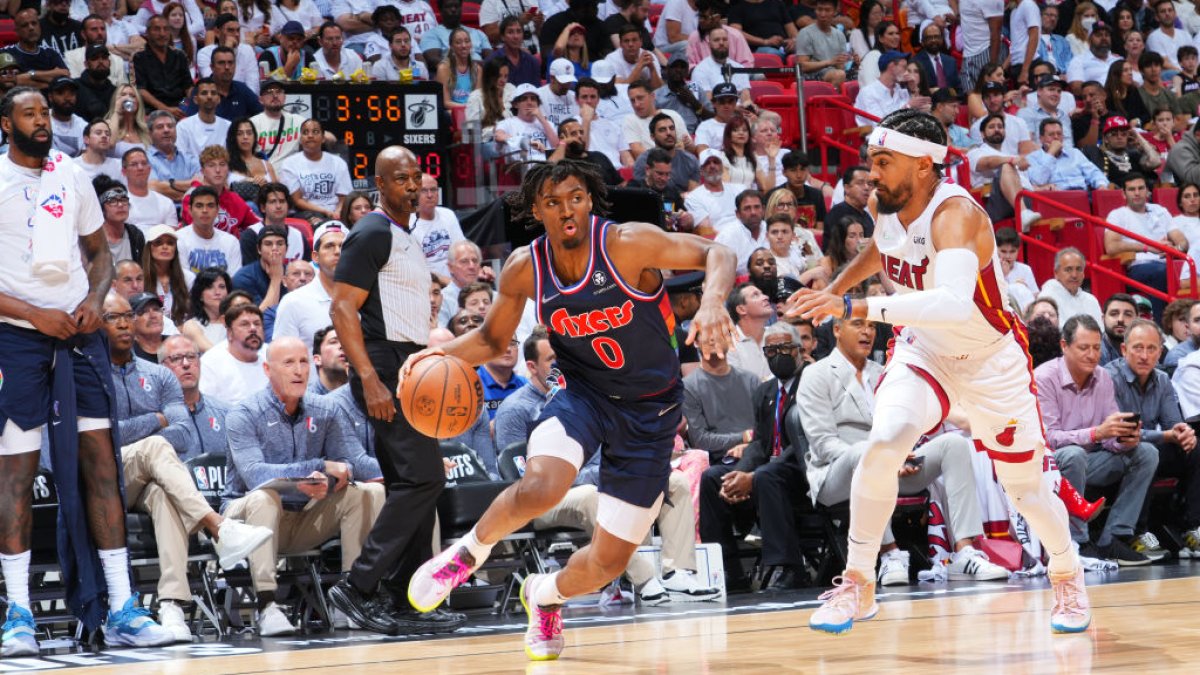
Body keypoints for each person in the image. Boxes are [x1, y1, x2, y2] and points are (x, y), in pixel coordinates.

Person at [403, 157, 737, 661]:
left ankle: (545, 594)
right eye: (553, 203)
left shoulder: (627, 243)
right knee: (541, 485)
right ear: (536, 209)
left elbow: (719, 253)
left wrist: (712, 301)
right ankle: (467, 553)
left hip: (651, 416)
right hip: (583, 395)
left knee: (606, 563)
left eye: (575, 199)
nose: (566, 212)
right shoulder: (525, 266)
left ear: (589, 201)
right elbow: (493, 338)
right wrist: (435, 356)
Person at [786, 109, 1090, 635]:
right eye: (871, 162)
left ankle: (1067, 572)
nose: (871, 174)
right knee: (883, 445)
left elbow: (951, 304)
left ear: (924, 165)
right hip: (925, 350)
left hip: (990, 361)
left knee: (1024, 489)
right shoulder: (887, 202)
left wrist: (854, 308)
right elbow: (882, 251)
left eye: (883, 162)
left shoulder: (958, 216)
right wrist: (834, 287)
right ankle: (858, 581)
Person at [0, 85, 176, 656]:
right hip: (18, 338)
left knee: (103, 466)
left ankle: (122, 605)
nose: (41, 120)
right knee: (17, 473)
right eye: (28, 113)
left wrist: (97, 300)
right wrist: (34, 314)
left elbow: (100, 255)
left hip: (78, 332)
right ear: (7, 125)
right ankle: (18, 613)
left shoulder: (71, 175)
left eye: (45, 112)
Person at [323, 147, 468, 637]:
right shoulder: (371, 232)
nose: (412, 186)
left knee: (415, 481)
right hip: (383, 366)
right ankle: (358, 585)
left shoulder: (406, 235)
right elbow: (342, 310)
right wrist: (368, 378)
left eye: (417, 178)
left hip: (409, 363)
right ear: (379, 185)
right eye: (400, 178)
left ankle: (408, 596)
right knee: (423, 478)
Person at [101, 291, 273, 641]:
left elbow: (182, 434)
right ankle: (218, 527)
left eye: (126, 316)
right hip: (106, 474)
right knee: (155, 444)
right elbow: (106, 436)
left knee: (166, 495)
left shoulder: (159, 377)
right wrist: (157, 418)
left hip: (149, 478)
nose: (122, 323)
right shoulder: (91, 373)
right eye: (111, 317)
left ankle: (172, 605)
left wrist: (141, 427)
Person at [799, 310, 1006, 586]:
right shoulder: (816, 374)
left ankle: (965, 553)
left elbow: (910, 423)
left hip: (897, 464)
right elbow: (824, 445)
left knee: (954, 445)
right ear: (837, 330)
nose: (867, 332)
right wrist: (885, 456)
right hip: (835, 475)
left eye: (872, 326)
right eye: (858, 324)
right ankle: (889, 555)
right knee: (868, 454)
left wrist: (901, 453)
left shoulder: (885, 371)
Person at [221, 336, 383, 636]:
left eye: (304, 361)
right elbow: (255, 475)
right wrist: (316, 469)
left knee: (368, 492)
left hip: (303, 517)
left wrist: (333, 480)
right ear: (268, 369)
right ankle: (267, 605)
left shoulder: (325, 409)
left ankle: (350, 597)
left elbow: (349, 463)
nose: (299, 370)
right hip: (243, 521)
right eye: (289, 363)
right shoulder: (244, 413)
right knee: (264, 498)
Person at [1037, 314, 1157, 565]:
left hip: (1092, 460)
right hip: (1051, 466)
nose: (1092, 355)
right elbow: (1047, 438)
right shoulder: (1044, 378)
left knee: (1146, 452)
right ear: (1064, 346)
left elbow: (1109, 438)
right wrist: (1096, 433)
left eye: (1096, 348)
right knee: (1074, 455)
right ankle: (1077, 540)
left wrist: (1124, 438)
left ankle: (1113, 537)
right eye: (1083, 348)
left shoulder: (1102, 376)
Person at [1105, 319, 1200, 557]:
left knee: (1196, 448)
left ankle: (1192, 527)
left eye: (1151, 349)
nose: (1145, 355)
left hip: (1149, 445)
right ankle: (1138, 532)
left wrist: (1184, 432)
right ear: (1124, 349)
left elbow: (1172, 423)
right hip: (1115, 449)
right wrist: (1168, 435)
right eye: (1138, 348)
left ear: (1160, 352)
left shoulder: (1163, 380)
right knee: (1148, 452)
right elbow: (1123, 432)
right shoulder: (1109, 378)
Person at [1103, 172, 1187, 318]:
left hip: (1166, 262)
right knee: (1161, 271)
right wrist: (1148, 247)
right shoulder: (1117, 215)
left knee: (1183, 269)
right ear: (1123, 194)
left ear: (1147, 191)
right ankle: (1161, 324)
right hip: (1137, 266)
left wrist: (1176, 249)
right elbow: (1111, 246)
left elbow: (1182, 241)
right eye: (1131, 189)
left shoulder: (1160, 211)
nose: (1137, 193)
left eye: (1141, 188)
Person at [280, 119, 352, 222]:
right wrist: (325, 212)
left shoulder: (338, 163)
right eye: (305, 132)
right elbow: (297, 200)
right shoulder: (289, 164)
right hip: (305, 213)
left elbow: (343, 197)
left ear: (323, 138)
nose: (310, 136)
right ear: (300, 139)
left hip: (336, 212)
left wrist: (338, 211)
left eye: (315, 132)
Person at [198, 303, 266, 404]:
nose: (253, 329)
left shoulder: (272, 354)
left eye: (257, 323)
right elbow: (206, 407)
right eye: (245, 324)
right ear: (230, 333)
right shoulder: (211, 362)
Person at [133, 15, 192, 119]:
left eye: (166, 29)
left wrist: (183, 106)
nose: (162, 33)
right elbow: (140, 90)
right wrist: (165, 109)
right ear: (147, 32)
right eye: (157, 29)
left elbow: (188, 87)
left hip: (180, 108)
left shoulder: (179, 55)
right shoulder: (139, 57)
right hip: (152, 111)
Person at [176, 186, 243, 273]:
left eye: (210, 206)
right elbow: (183, 279)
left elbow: (234, 279)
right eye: (199, 206)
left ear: (217, 210)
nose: (205, 210)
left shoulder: (231, 242)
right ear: (190, 210)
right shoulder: (178, 239)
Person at [2, 9, 70, 91]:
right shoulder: (5, 53)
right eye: (25, 25)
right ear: (17, 31)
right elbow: (9, 82)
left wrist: (31, 74)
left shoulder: (50, 52)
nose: (31, 28)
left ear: (39, 27)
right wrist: (50, 79)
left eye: (34, 23)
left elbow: (65, 75)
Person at [1038, 247, 1103, 327]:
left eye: (1079, 269)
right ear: (1056, 273)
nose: (1074, 275)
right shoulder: (1046, 298)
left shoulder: (1091, 300)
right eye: (1068, 269)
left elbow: (1100, 332)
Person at [794, 0, 851, 86]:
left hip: (833, 73)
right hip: (811, 76)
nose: (822, 14)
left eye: (827, 10)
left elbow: (840, 67)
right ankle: (830, 98)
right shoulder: (805, 33)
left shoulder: (839, 35)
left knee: (858, 75)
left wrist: (852, 62)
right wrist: (829, 62)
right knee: (839, 75)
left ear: (835, 12)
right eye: (819, 9)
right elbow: (802, 66)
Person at [251, 79, 305, 168]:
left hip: (293, 176)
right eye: (269, 92)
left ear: (284, 97)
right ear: (260, 100)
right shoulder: (252, 124)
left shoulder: (299, 121)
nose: (275, 95)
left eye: (279, 92)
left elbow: (322, 135)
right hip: (265, 177)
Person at [175, 78, 230, 161]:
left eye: (213, 93)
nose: (209, 96)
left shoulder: (229, 126)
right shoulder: (183, 127)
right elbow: (181, 160)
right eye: (204, 93)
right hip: (193, 173)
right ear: (196, 100)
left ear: (219, 99)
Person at [180, 267, 232, 352]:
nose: (217, 292)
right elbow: (212, 352)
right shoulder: (191, 325)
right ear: (200, 295)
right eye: (210, 287)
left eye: (222, 287)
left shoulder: (234, 322)